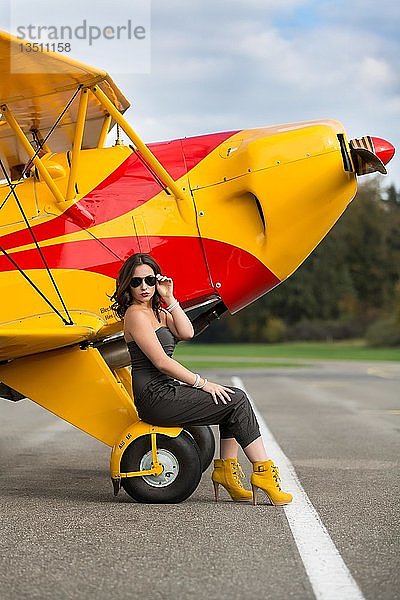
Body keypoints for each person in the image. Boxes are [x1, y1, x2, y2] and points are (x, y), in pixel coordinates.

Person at [111, 252, 292, 506]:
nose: (144, 287)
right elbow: (162, 362)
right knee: (235, 400)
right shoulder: (135, 315)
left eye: (150, 281)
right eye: (136, 282)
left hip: (166, 391)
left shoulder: (158, 314)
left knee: (230, 400)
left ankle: (227, 473)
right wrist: (203, 383)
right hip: (155, 397)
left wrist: (170, 298)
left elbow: (187, 331)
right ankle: (262, 472)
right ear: (127, 286)